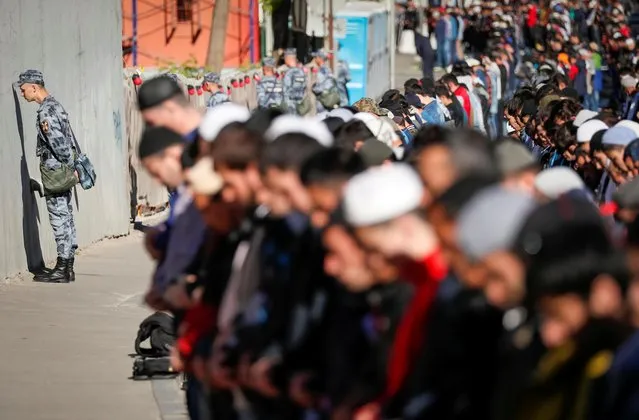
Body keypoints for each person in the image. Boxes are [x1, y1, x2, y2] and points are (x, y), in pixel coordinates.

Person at [17, 69, 78, 283]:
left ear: (34, 87)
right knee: (67, 216)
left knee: (59, 218)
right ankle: (68, 267)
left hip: (56, 172)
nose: (23, 94)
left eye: (24, 89)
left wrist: (66, 167)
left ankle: (62, 268)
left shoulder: (45, 111)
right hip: (62, 171)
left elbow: (59, 144)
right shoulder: (56, 105)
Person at [281, 48, 309, 116]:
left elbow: (294, 92)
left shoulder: (293, 72)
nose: (284, 60)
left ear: (288, 58)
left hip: (292, 108)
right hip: (296, 106)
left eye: (284, 58)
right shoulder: (299, 71)